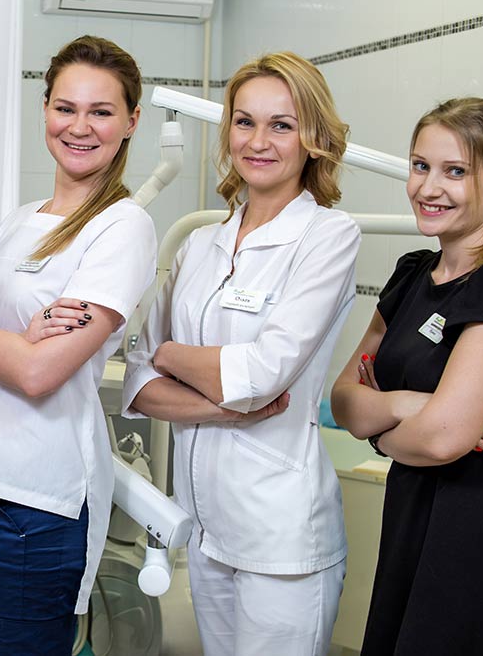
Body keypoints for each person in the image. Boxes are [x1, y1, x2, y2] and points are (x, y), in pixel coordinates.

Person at [122, 52, 358, 656]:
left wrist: (172, 354)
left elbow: (259, 376)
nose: (258, 141)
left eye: (281, 125)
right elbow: (139, 381)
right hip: (206, 529)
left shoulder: (327, 236)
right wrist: (214, 399)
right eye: (245, 121)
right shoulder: (201, 243)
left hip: (281, 535)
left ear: (313, 138)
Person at [0, 35, 156, 655]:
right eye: (66, 108)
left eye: (101, 111)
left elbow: (37, 374)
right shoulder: (19, 220)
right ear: (45, 110)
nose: (79, 127)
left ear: (131, 121)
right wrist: (4, 341)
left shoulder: (122, 227)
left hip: (43, 497)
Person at [330, 98, 483, 656]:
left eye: (455, 171)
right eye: (420, 166)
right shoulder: (412, 276)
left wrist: (382, 428)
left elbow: (444, 438)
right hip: (410, 511)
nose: (428, 188)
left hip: (476, 535)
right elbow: (341, 401)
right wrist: (408, 406)